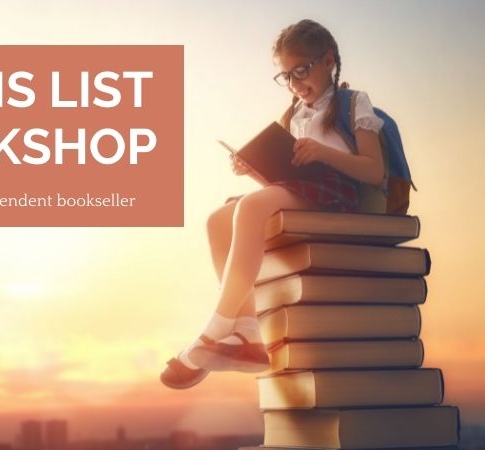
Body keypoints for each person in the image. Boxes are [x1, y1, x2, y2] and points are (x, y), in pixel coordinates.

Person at [160, 18, 387, 389]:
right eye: (287, 77)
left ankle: (215, 329)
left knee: (250, 207)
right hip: (304, 191)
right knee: (218, 219)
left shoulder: (352, 103)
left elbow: (374, 171)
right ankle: (248, 330)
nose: (297, 84)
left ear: (328, 60)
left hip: (339, 193)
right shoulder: (294, 115)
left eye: (302, 71)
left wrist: (322, 154)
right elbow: (281, 185)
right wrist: (253, 169)